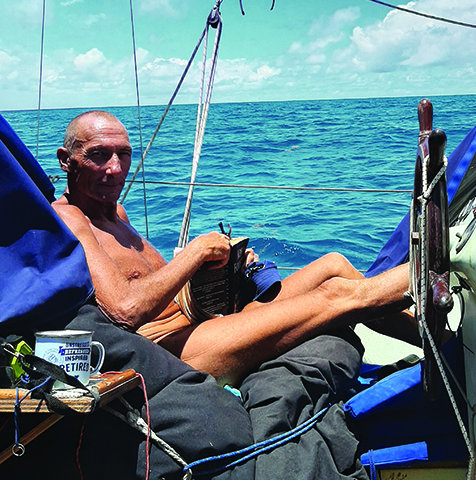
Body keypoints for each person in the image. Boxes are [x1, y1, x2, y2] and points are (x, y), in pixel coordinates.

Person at [53, 110, 421, 387]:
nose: (116, 169)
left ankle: (436, 344)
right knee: (335, 295)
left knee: (333, 264)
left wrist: (222, 276)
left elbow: (158, 291)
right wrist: (196, 251)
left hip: (202, 323)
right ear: (65, 160)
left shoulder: (115, 213)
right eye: (100, 154)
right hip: (168, 351)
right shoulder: (70, 219)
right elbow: (125, 311)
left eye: (124, 155)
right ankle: (446, 257)